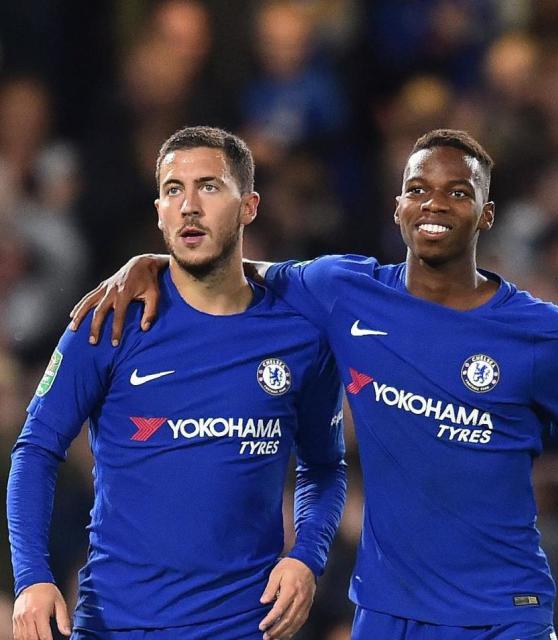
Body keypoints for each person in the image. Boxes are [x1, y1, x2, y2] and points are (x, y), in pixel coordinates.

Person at [71, 129, 558, 639]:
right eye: (418, 189)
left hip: (503, 610)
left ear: (487, 214)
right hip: (386, 614)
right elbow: (232, 270)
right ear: (398, 207)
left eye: (457, 192)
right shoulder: (346, 290)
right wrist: (150, 262)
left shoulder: (542, 334)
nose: (434, 204)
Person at [8, 126, 347, 640]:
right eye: (173, 190)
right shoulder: (110, 320)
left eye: (209, 187)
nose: (189, 205)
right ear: (159, 211)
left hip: (245, 627)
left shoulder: (300, 335)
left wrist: (306, 556)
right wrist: (32, 576)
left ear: (249, 206)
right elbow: (35, 448)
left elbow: (324, 467)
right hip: (119, 626)